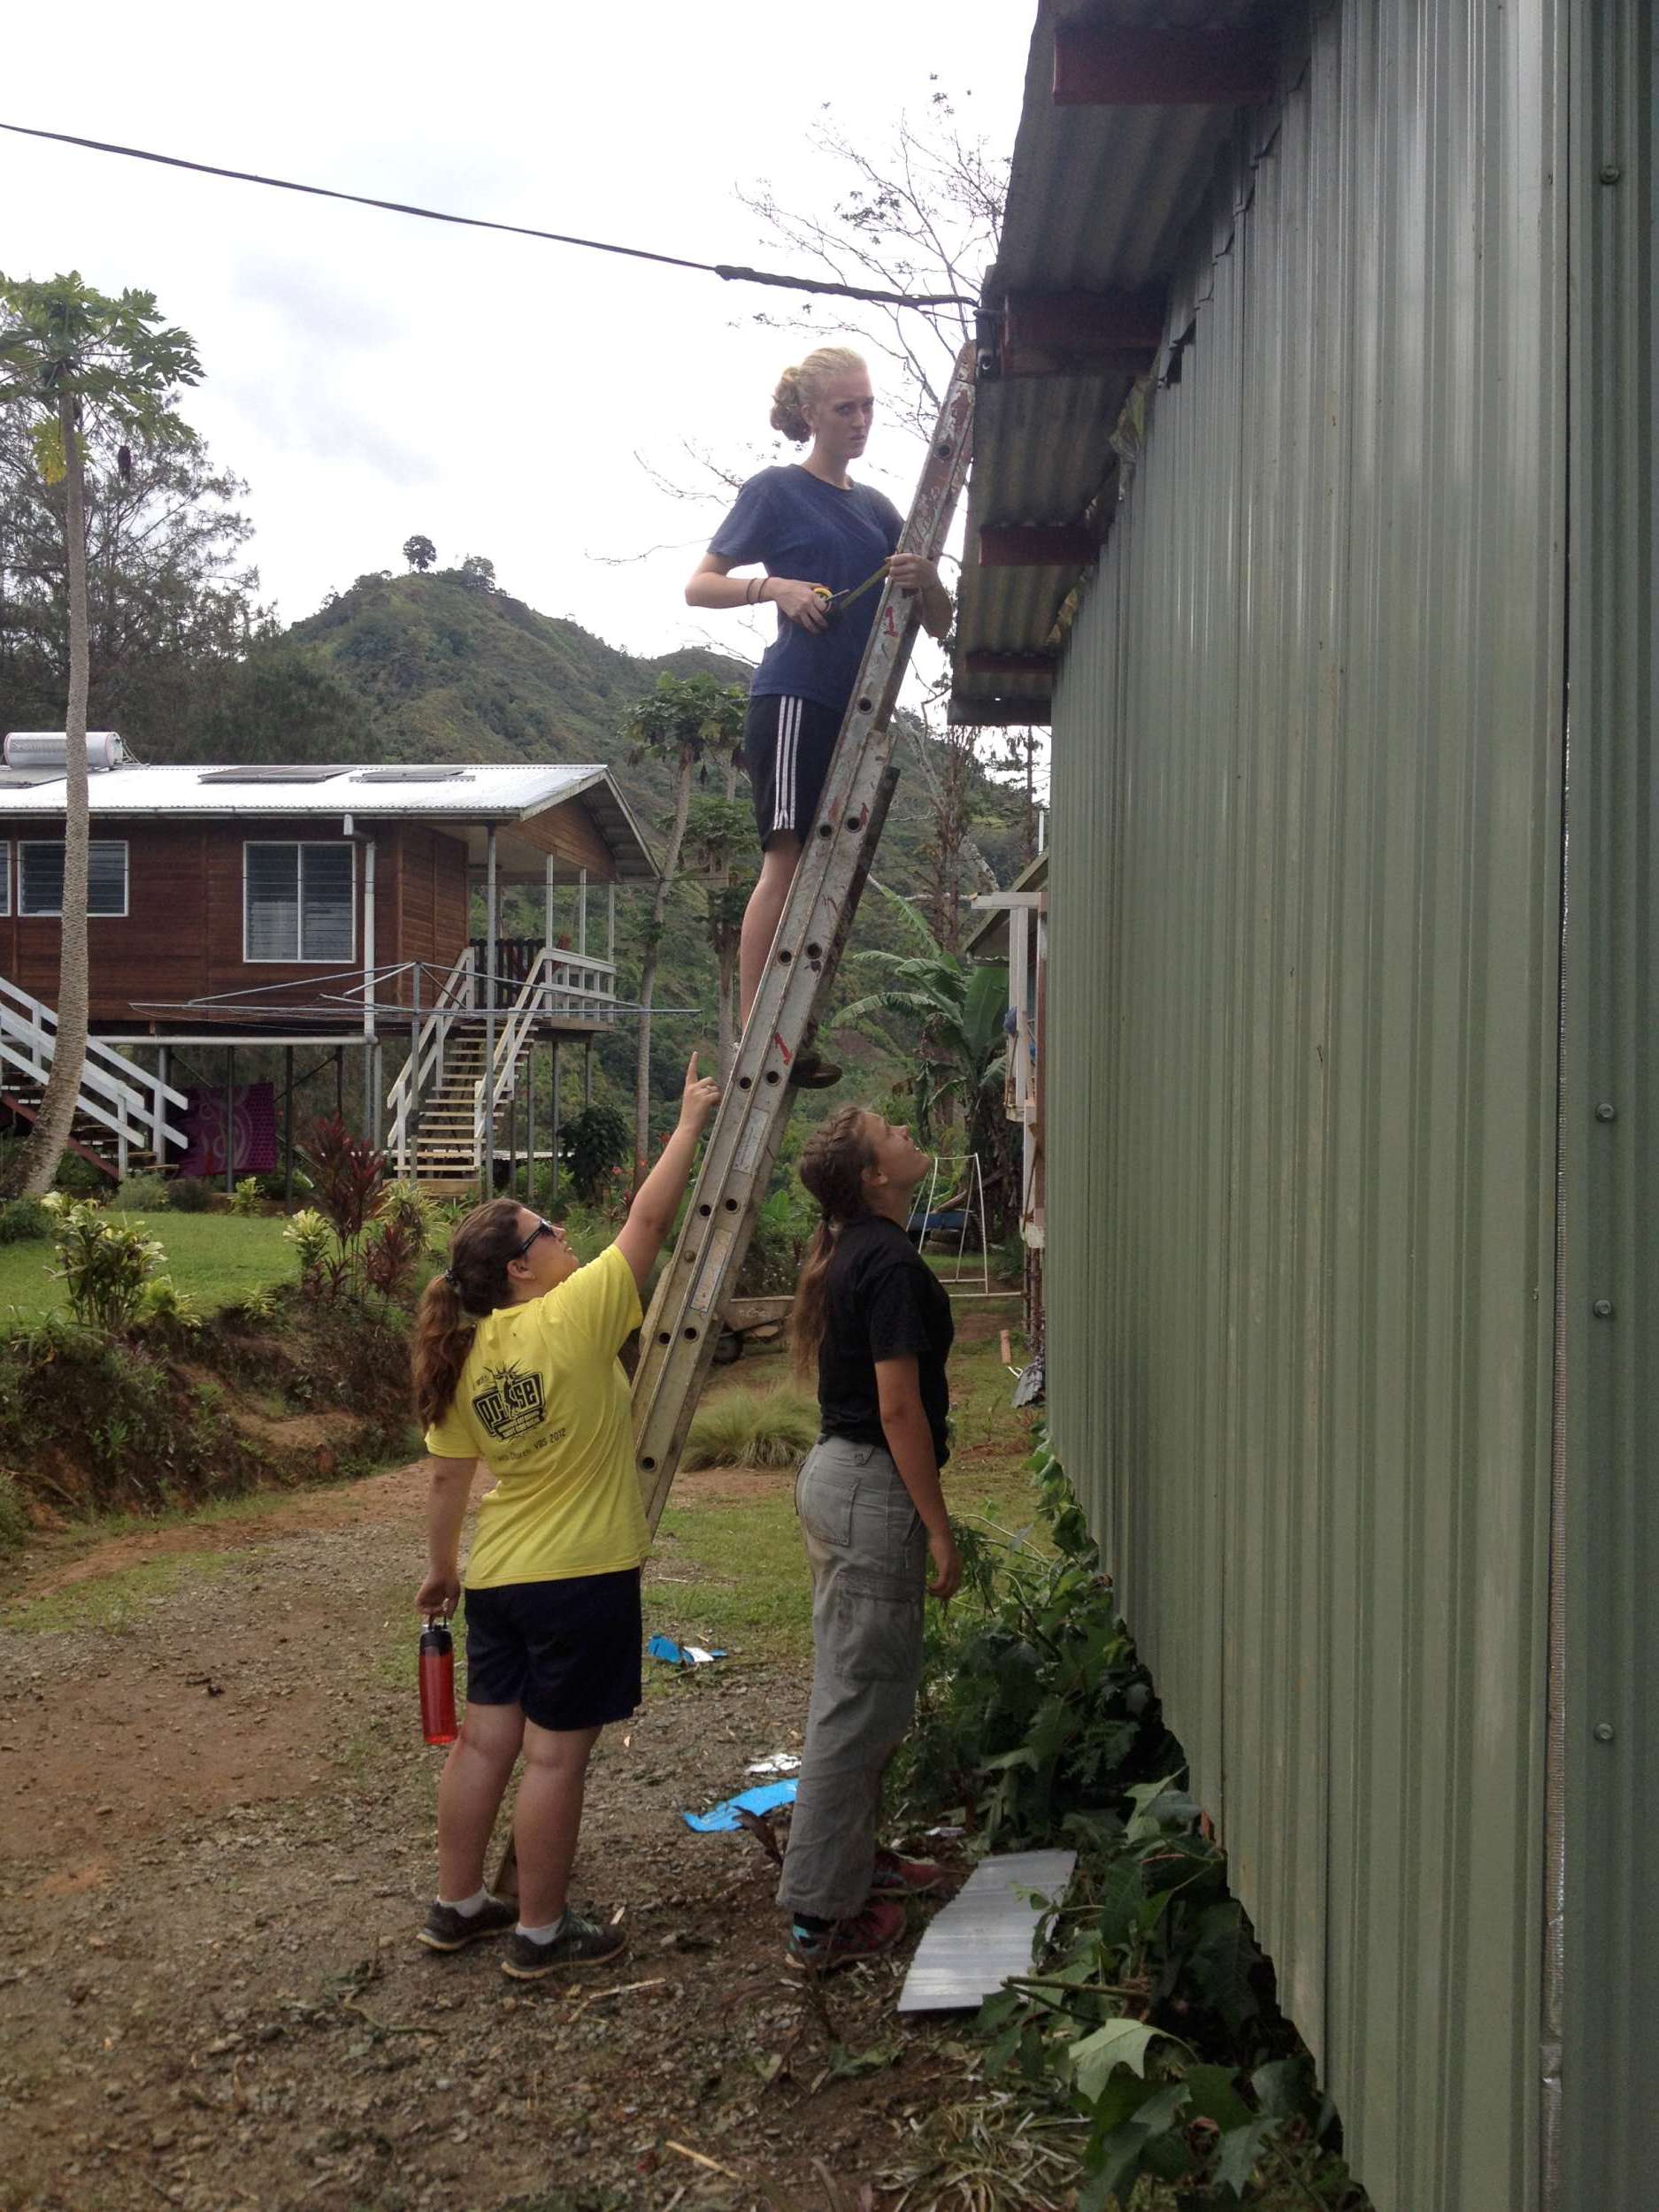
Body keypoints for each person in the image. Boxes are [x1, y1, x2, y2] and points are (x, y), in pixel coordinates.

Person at [409, 1055, 720, 1980]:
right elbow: (651, 1219)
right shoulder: (577, 1311)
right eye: (546, 1229)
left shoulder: (466, 1351)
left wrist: (441, 1570)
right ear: (520, 1266)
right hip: (581, 1574)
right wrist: (690, 1119)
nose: (563, 1233)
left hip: (500, 1577)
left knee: (484, 1740)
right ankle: (541, 1932)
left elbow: (446, 1482)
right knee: (554, 1760)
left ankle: (458, 1902)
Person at [685, 346, 953, 1084]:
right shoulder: (775, 490)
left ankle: (794, 1029)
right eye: (845, 408)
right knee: (787, 858)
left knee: (828, 866)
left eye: (868, 405)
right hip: (794, 699)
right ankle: (754, 1033)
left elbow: (938, 620)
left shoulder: (875, 509)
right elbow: (699, 587)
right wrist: (773, 589)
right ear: (809, 415)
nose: (862, 420)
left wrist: (926, 578)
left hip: (858, 713)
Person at [776, 1103, 963, 1970]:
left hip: (840, 1481)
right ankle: (820, 1913)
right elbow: (899, 1407)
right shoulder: (885, 1260)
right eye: (892, 1130)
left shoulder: (863, 1247)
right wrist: (937, 1525)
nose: (907, 1132)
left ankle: (854, 1861)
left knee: (867, 1691)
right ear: (873, 1177)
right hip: (870, 1488)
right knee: (857, 1704)